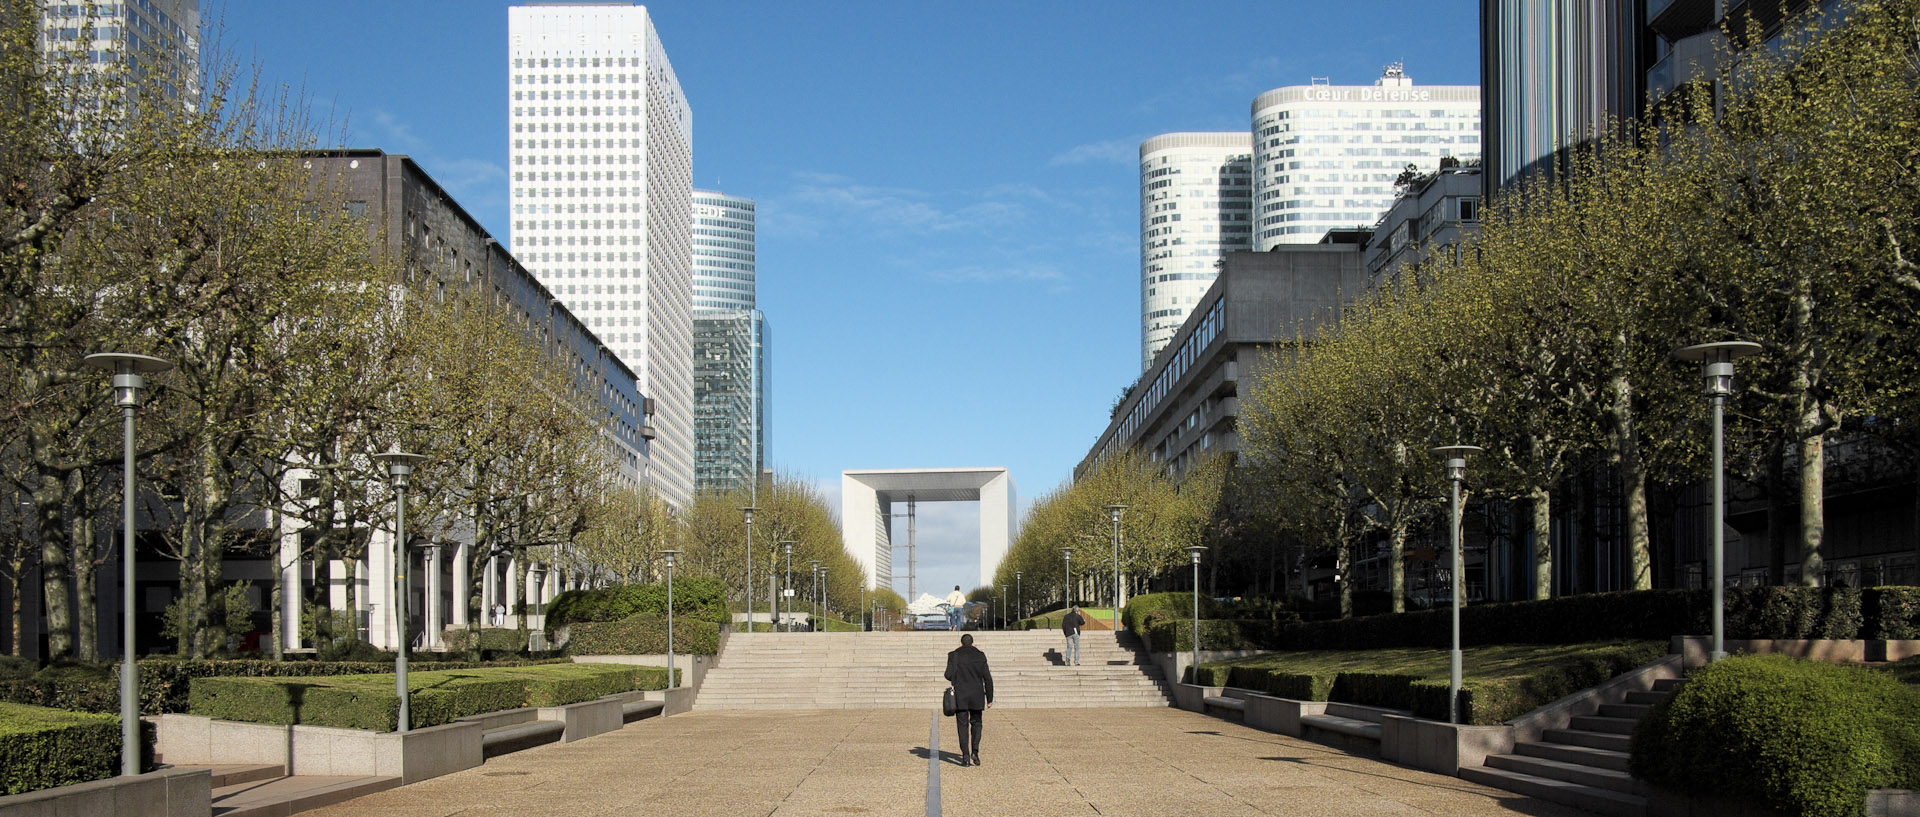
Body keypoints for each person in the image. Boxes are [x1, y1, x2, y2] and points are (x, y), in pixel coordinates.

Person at [944, 633, 993, 766]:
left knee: (962, 725)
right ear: (972, 643)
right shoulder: (980, 655)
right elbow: (987, 678)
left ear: (961, 643)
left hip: (961, 694)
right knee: (977, 723)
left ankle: (965, 755)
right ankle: (975, 751)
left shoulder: (954, 655)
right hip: (977, 694)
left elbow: (948, 675)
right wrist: (990, 698)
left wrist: (956, 677)